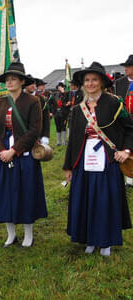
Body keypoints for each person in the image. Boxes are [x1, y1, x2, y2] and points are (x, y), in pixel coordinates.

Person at [64, 62, 133, 256]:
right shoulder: (78, 110)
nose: (91, 83)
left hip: (107, 160)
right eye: (87, 80)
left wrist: (126, 150)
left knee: (104, 199)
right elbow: (73, 141)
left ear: (102, 82)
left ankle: (105, 241)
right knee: (85, 198)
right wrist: (68, 166)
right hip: (83, 160)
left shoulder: (114, 103)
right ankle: (88, 239)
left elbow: (130, 129)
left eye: (94, 79)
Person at [0, 62, 47, 248]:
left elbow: (34, 129)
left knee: (26, 192)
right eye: (7, 79)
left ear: (22, 81)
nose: (10, 82)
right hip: (1, 153)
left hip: (24, 152)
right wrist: (1, 152)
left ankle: (28, 234)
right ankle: (10, 234)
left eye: (13, 79)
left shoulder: (32, 101)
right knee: (5, 193)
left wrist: (14, 151)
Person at [115, 54, 133, 188]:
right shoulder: (120, 82)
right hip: (126, 120)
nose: (126, 69)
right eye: (125, 66)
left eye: (128, 66)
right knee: (127, 146)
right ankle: (129, 179)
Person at [25, 75, 50, 145]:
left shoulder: (42, 99)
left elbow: (46, 118)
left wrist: (45, 136)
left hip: (39, 135)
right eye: (30, 84)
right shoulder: (20, 98)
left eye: (34, 84)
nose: (33, 86)